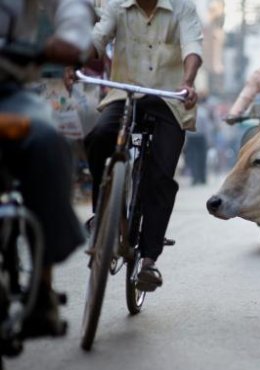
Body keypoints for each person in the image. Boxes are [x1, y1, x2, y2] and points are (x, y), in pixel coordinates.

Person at [69, 0, 203, 292]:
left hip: (169, 98)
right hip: (124, 94)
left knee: (161, 175)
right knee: (99, 137)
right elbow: (98, 37)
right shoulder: (118, 5)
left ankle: (149, 260)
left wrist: (188, 81)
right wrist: (74, 60)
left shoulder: (182, 7)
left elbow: (193, 45)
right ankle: (105, 215)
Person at [0, 0, 94, 336]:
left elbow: (72, 7)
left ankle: (42, 285)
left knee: (47, 142)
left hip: (8, 92)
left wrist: (71, 38)